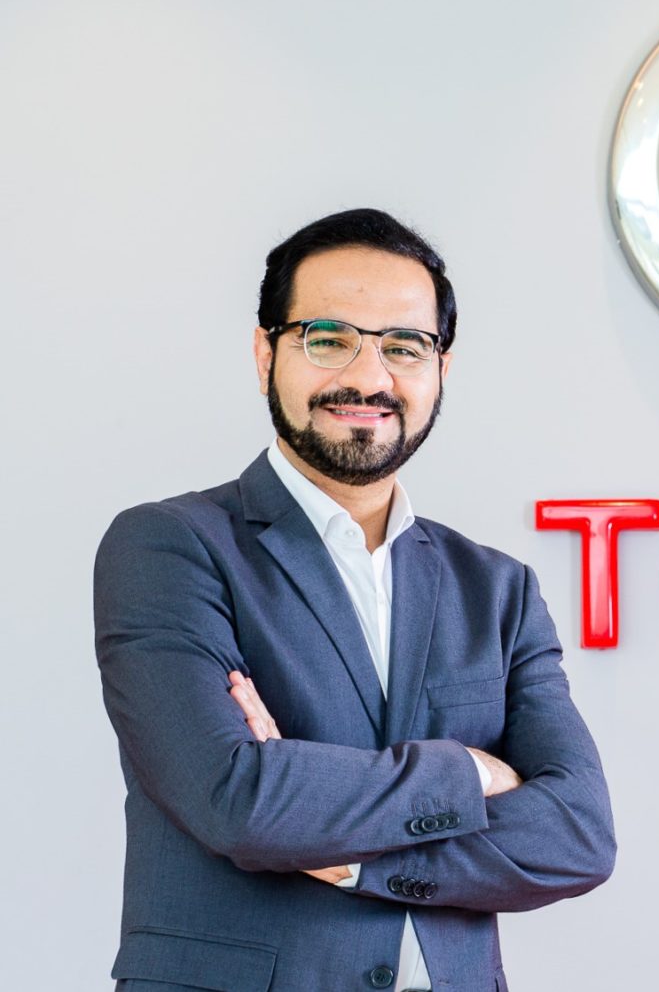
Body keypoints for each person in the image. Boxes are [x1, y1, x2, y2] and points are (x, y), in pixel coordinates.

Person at [93, 209, 614, 991]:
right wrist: (469, 773)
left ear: (441, 369)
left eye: (404, 346)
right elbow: (237, 798)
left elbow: (578, 835)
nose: (370, 379)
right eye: (329, 338)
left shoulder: (498, 590)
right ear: (266, 353)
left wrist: (354, 860)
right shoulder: (170, 547)